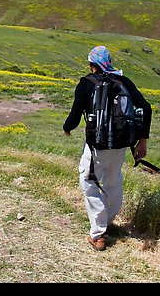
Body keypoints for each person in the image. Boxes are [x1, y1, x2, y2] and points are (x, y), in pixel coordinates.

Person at [63, 45, 152, 251]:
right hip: (121, 144)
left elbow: (75, 114)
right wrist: (143, 140)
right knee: (113, 180)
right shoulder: (123, 81)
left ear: (91, 65)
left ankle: (98, 233)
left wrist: (67, 128)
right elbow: (145, 107)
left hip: (97, 146)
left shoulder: (86, 83)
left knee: (89, 181)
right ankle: (109, 220)